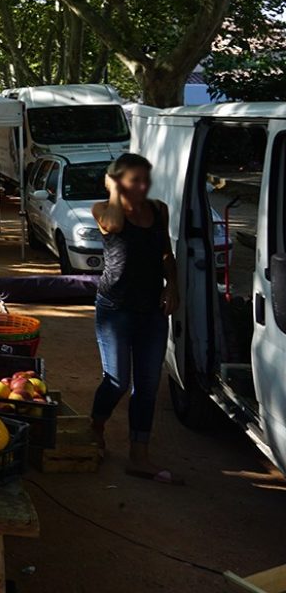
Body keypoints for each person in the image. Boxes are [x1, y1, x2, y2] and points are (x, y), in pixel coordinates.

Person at [90, 153, 181, 484]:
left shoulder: (158, 210)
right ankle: (96, 428)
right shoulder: (103, 209)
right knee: (117, 380)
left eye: (146, 179)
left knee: (147, 385)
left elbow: (166, 252)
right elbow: (113, 226)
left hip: (151, 310)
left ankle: (138, 456)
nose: (143, 186)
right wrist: (114, 192)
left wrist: (173, 285)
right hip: (115, 308)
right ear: (117, 181)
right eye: (134, 180)